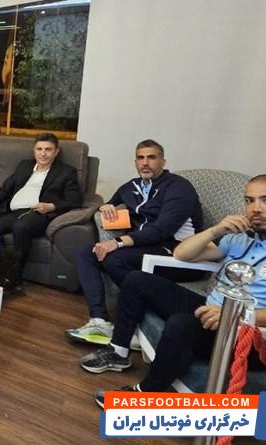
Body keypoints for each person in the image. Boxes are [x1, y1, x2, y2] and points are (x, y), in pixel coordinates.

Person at [82, 175, 266, 406]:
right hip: (210, 310)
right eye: (249, 201)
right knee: (137, 280)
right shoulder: (241, 238)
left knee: (181, 324)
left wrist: (236, 315)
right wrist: (215, 230)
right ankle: (118, 352)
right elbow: (182, 254)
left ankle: (144, 396)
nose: (256, 209)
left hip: (255, 337)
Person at [66, 140, 204, 345]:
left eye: (151, 157)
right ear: (135, 162)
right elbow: (110, 202)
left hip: (177, 253)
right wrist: (106, 207)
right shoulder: (131, 186)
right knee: (87, 253)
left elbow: (162, 229)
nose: (145, 163)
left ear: (163, 161)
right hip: (143, 248)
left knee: (113, 259)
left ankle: (141, 323)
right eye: (140, 158)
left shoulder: (179, 187)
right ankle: (99, 320)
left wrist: (118, 242)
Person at [0, 132, 83, 291]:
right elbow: (5, 189)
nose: (43, 154)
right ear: (34, 150)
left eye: (48, 149)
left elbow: (75, 199)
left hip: (39, 214)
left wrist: (52, 206)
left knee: (21, 226)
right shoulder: (24, 166)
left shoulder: (66, 172)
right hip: (14, 212)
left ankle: (14, 278)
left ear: (56, 152)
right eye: (39, 149)